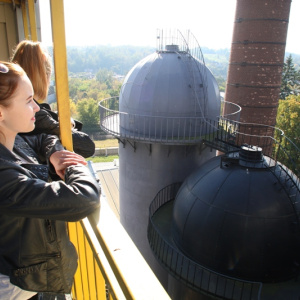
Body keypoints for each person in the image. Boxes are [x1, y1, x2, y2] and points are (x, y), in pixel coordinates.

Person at [0, 61, 100, 299]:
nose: (36, 108)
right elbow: (84, 199)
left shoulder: (14, 141)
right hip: (15, 285)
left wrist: (55, 153)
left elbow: (43, 138)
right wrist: (74, 165)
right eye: (27, 101)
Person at [11, 40, 95, 158]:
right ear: (43, 74)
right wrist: (66, 125)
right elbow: (87, 147)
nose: (34, 107)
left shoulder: (16, 104)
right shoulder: (34, 115)